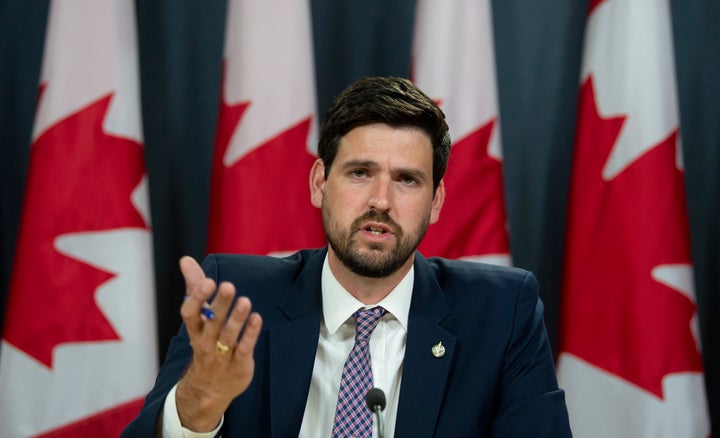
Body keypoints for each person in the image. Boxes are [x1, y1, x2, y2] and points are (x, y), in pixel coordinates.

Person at [123, 76, 571, 437]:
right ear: (320, 183)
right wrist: (200, 402)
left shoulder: (500, 313)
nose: (381, 200)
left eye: (407, 180)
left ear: (436, 203)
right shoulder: (237, 299)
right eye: (360, 173)